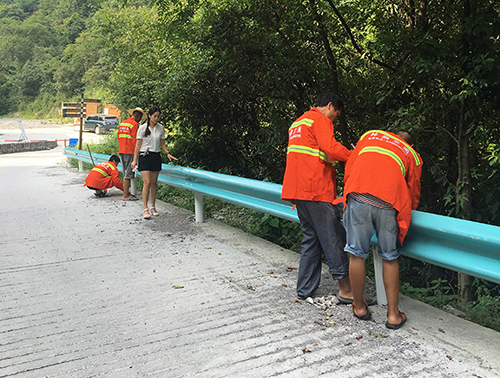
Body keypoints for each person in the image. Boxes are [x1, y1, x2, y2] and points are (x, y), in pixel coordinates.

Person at [342, 130, 422, 329]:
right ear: (410, 145)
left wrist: (349, 192)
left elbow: (350, 166)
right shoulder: (411, 154)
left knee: (356, 254)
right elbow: (413, 189)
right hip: (389, 202)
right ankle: (393, 315)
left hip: (358, 193)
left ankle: (359, 306)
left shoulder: (370, 136)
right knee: (389, 256)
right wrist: (406, 214)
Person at [281, 93, 353, 301]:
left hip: (298, 191)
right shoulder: (319, 120)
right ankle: (346, 290)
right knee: (333, 238)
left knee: (311, 239)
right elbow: (330, 149)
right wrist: (353, 156)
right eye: (335, 116)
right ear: (330, 106)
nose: (333, 121)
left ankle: (305, 289)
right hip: (315, 190)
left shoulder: (298, 123)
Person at [131, 106, 178, 219]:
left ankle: (153, 206)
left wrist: (167, 153)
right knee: (146, 182)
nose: (156, 119)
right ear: (149, 116)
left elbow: (162, 143)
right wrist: (134, 160)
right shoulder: (142, 128)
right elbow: (138, 145)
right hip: (144, 156)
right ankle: (145, 208)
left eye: (158, 117)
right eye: (155, 116)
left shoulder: (160, 128)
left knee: (153, 183)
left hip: (156, 156)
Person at [118, 107, 145, 201]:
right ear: (139, 117)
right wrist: (137, 153)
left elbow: (119, 136)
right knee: (128, 174)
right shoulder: (134, 124)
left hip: (122, 150)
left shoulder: (124, 123)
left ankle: (127, 192)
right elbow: (136, 141)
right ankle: (126, 195)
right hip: (129, 152)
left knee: (125, 172)